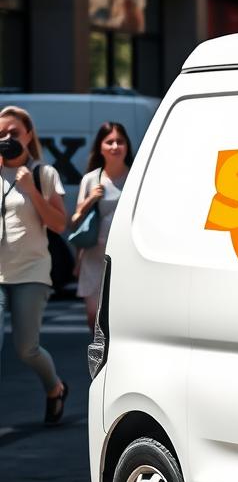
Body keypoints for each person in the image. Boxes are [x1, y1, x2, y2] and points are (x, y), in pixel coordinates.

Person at [0, 105, 70, 424]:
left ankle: (54, 388)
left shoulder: (44, 173)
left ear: (28, 135)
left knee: (26, 348)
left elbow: (59, 224)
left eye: (14, 133)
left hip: (31, 272)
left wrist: (31, 190)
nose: (7, 138)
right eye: (1, 133)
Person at [71, 122, 132, 332]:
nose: (115, 146)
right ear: (100, 147)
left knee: (120, 318)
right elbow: (75, 221)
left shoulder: (135, 177)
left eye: (120, 141)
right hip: (93, 258)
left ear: (127, 146)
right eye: (109, 142)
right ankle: (100, 358)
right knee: (92, 317)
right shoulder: (91, 179)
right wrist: (90, 199)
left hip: (126, 258)